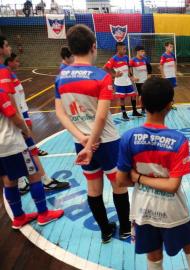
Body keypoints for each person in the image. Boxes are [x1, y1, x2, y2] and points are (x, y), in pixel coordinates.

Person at [116, 77, 190, 270]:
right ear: (170, 105)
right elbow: (172, 186)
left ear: (140, 101)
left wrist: (139, 178)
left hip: (143, 209)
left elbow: (121, 180)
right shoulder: (179, 140)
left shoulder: (128, 138)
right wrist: (153, 180)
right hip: (173, 210)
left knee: (153, 254)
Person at [55, 25, 131, 243]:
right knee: (118, 184)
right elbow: (100, 116)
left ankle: (105, 230)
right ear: (93, 47)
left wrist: (82, 140)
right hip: (106, 141)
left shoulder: (60, 78)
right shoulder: (101, 77)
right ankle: (125, 228)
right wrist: (92, 144)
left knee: (93, 187)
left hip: (80, 141)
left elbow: (61, 113)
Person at [0, 35, 64, 229]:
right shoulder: (2, 75)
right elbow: (10, 109)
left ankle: (19, 217)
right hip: (10, 139)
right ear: (1, 49)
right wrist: (25, 129)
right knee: (35, 175)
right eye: (7, 44)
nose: (9, 47)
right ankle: (43, 214)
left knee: (8, 180)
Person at [5, 53, 70, 194]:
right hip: (16, 121)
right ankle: (40, 181)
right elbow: (11, 106)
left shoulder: (11, 76)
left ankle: (25, 182)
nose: (18, 62)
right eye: (15, 61)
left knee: (24, 151)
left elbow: (18, 102)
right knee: (23, 152)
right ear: (8, 62)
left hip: (22, 115)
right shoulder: (4, 77)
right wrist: (22, 123)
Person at [104, 42, 141, 120]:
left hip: (128, 81)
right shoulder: (114, 58)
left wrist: (131, 77)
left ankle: (134, 111)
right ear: (118, 49)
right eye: (124, 49)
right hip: (119, 82)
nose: (125, 50)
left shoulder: (126, 57)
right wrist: (114, 75)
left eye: (125, 48)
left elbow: (128, 68)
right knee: (122, 98)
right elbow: (105, 68)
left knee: (133, 95)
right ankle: (124, 114)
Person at [129, 45, 152, 114]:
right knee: (135, 95)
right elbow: (129, 69)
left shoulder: (145, 59)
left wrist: (149, 75)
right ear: (138, 52)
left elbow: (149, 67)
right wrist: (132, 77)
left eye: (144, 51)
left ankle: (143, 109)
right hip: (137, 82)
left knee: (143, 95)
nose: (143, 52)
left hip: (144, 81)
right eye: (142, 51)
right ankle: (135, 110)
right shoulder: (133, 60)